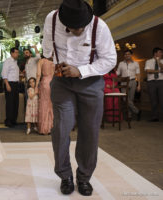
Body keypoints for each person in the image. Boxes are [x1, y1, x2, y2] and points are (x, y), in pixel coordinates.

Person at [42, 0, 116, 196]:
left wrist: (80, 70)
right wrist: (56, 61)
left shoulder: (99, 26)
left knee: (89, 131)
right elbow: (47, 50)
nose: (78, 30)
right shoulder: (52, 19)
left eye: (81, 26)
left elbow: (109, 59)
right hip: (62, 82)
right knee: (61, 128)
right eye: (74, 27)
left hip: (91, 82)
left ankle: (84, 178)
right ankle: (65, 175)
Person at [116, 49, 141, 120]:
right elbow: (117, 73)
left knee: (131, 99)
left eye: (128, 54)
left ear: (131, 55)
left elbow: (138, 74)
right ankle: (137, 111)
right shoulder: (121, 63)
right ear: (124, 56)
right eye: (125, 54)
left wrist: (139, 85)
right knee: (125, 98)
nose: (127, 55)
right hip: (124, 82)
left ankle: (129, 116)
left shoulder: (136, 63)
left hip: (133, 81)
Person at [36, 56, 55, 135]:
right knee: (51, 105)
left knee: (44, 104)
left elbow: (38, 74)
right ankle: (51, 127)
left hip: (45, 83)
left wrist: (36, 86)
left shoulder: (41, 61)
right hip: (53, 83)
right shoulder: (54, 61)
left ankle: (44, 129)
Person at [1, 47, 20, 127]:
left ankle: (13, 120)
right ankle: (8, 121)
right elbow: (4, 73)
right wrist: (7, 84)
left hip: (16, 84)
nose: (17, 54)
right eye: (16, 52)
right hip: (10, 83)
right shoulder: (8, 61)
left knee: (16, 102)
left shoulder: (15, 62)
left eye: (18, 52)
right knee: (10, 103)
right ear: (11, 53)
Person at [145, 47, 163, 122]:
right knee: (153, 100)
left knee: (162, 100)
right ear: (155, 53)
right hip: (151, 82)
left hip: (161, 82)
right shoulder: (148, 61)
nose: (162, 54)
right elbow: (148, 71)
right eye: (160, 52)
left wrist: (159, 61)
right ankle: (154, 117)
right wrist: (159, 70)